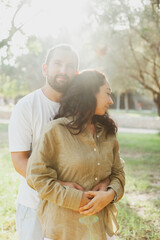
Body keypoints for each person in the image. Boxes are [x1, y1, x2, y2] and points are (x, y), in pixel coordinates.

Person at [8, 45, 111, 240]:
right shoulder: (26, 107)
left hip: (73, 211)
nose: (63, 70)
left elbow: (100, 155)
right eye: (58, 64)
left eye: (70, 66)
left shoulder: (84, 109)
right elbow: (19, 161)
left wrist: (105, 182)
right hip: (34, 205)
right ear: (45, 68)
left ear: (77, 73)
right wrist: (59, 186)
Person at [26, 70, 125, 240]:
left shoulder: (108, 133)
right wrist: (75, 198)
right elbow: (36, 177)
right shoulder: (55, 131)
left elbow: (118, 173)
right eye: (107, 94)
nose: (111, 100)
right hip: (63, 230)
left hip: (101, 229)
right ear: (89, 93)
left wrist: (109, 195)